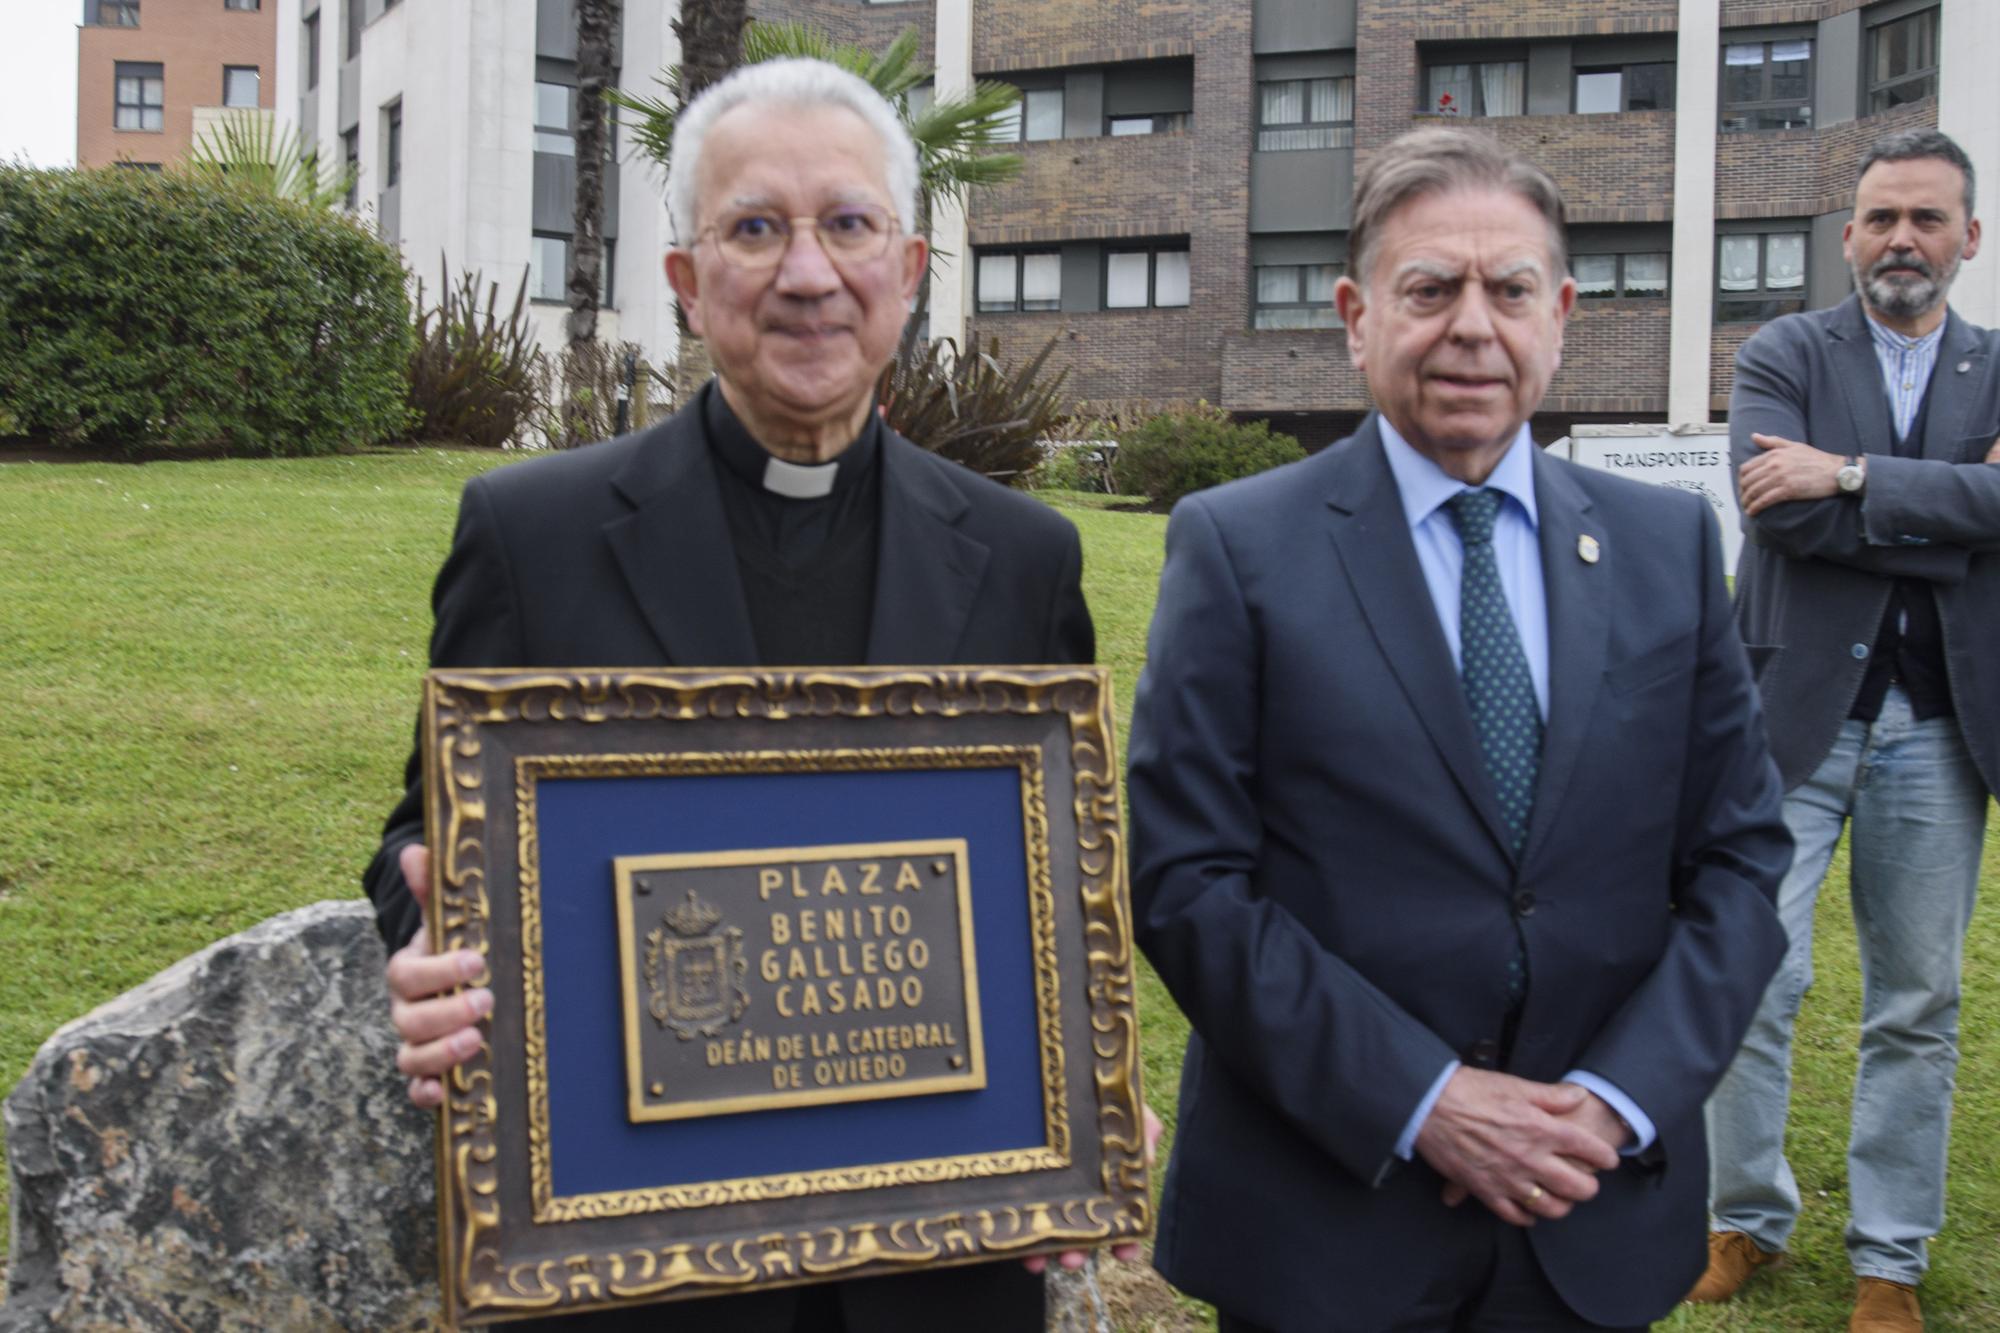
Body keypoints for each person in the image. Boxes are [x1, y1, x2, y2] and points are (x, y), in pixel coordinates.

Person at [361, 58, 1108, 1332]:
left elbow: (1047, 876)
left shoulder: (1024, 556)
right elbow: (416, 839)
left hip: (936, 1269)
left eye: (849, 225)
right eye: (754, 228)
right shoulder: (531, 534)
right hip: (644, 1252)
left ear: (910, 269)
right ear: (686, 283)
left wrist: (1079, 1097)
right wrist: (428, 936)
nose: (807, 273)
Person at [1125, 126, 1791, 1333]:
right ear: (1355, 312)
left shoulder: (1667, 547)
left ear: (1560, 313)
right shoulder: (1236, 547)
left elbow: (1739, 860)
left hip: (1587, 1214)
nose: (1471, 326)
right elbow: (1186, 881)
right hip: (1327, 1223)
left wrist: (1610, 1101)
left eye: (1509, 289)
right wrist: (1421, 1097)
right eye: (1428, 288)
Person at [1695, 127, 2000, 1333]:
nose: (1900, 240)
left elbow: (1845, 506)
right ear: (1846, 236)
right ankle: (1744, 1221)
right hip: (1788, 721)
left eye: (1925, 219)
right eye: (1879, 218)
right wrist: (1955, 512)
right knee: (1750, 978)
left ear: (1966, 239)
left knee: (1915, 1003)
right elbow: (1774, 516)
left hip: (1939, 728)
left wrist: (1855, 478)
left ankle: (1890, 1257)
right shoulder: (1782, 351)